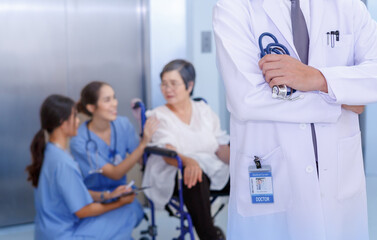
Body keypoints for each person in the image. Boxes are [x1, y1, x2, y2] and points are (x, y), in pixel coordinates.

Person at [213, 0, 377, 239]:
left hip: (337, 175)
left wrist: (319, 79)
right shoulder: (234, 6)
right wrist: (339, 99)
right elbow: (246, 98)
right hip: (271, 172)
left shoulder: (347, 5)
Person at [26, 95, 138, 239]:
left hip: (48, 232)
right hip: (65, 235)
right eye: (75, 116)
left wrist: (109, 195)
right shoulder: (63, 163)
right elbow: (83, 211)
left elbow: (74, 193)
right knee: (126, 212)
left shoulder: (50, 151)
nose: (78, 121)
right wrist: (119, 203)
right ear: (63, 122)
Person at [142, 59, 230, 240]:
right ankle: (210, 236)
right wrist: (189, 162)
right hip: (173, 170)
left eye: (174, 83)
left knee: (248, 174)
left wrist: (240, 162)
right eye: (164, 84)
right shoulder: (158, 115)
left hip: (210, 167)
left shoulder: (203, 109)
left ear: (189, 85)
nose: (168, 89)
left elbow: (220, 146)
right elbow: (168, 154)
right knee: (195, 177)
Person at [69, 81, 158, 230]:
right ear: (92, 108)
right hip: (92, 198)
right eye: (107, 100)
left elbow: (143, 161)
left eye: (114, 98)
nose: (115, 103)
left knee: (132, 214)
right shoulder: (80, 140)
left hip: (122, 195)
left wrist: (143, 128)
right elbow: (115, 174)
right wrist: (143, 143)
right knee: (105, 226)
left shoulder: (123, 124)